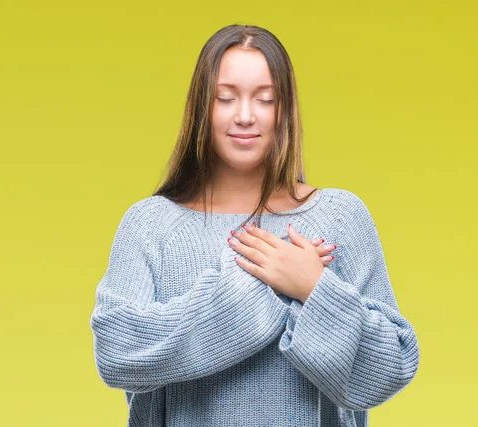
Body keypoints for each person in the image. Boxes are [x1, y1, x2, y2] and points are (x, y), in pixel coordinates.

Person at [89, 24, 420, 427]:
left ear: (285, 110)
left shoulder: (339, 216)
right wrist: (261, 291)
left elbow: (391, 367)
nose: (244, 116)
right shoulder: (151, 224)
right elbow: (116, 353)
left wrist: (316, 290)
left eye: (264, 100)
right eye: (225, 98)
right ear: (200, 108)